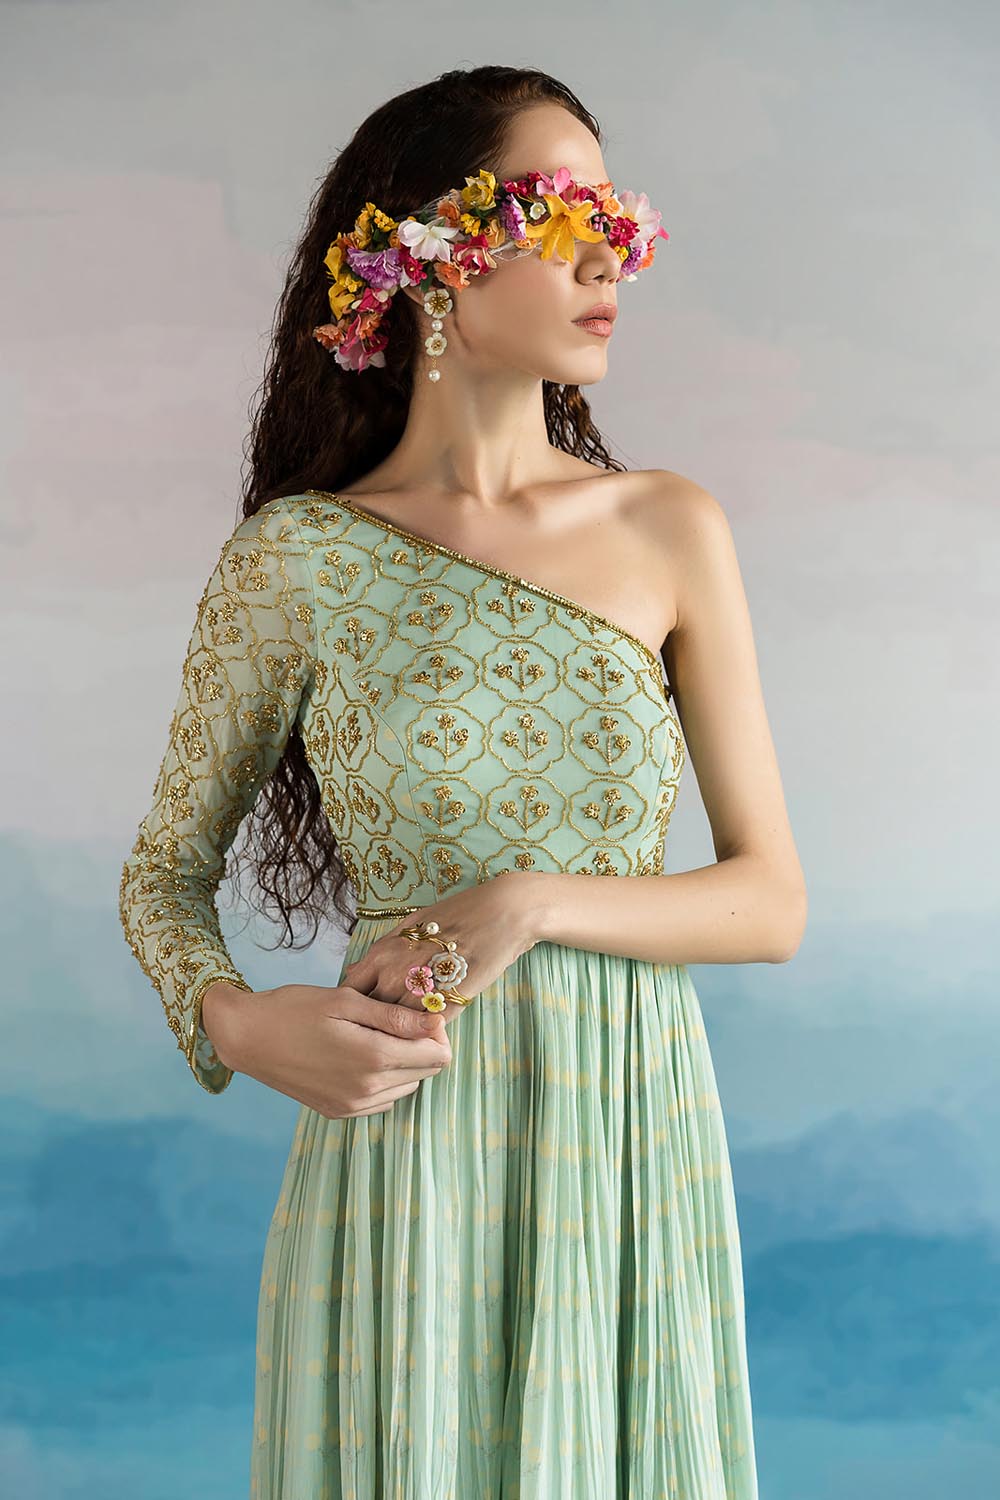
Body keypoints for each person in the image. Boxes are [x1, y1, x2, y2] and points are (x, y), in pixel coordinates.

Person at [118, 63, 806, 1500]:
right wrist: (243, 1025)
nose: (611, 259)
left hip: (625, 1140)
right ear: (427, 252)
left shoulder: (669, 526)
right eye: (563, 216)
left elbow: (770, 901)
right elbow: (163, 878)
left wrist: (532, 902)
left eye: (620, 218)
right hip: (405, 1151)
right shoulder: (298, 559)